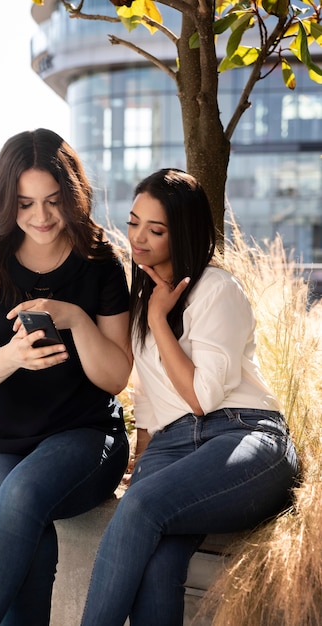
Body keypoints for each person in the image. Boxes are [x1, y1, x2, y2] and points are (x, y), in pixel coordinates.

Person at [80, 168, 299, 626]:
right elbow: (153, 399)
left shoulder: (217, 290)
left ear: (183, 234)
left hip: (243, 434)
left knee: (141, 508)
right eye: (134, 221)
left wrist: (160, 322)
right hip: (172, 444)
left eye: (155, 230)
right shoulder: (140, 301)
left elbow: (201, 398)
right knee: (159, 563)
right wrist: (140, 460)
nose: (137, 238)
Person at [0, 128, 132, 626]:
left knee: (24, 497)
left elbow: (115, 377)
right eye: (26, 204)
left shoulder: (101, 262)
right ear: (7, 202)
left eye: (54, 201)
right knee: (30, 536)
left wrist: (75, 318)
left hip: (83, 437)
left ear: (73, 196)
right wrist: (12, 356)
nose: (41, 217)